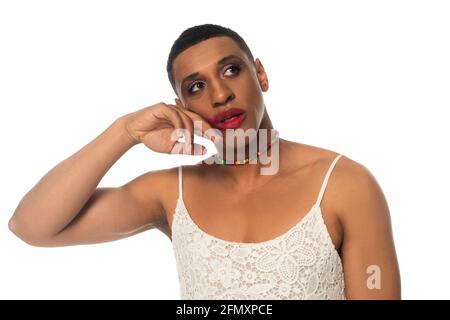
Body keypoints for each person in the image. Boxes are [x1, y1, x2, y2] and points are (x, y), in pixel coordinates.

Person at [9, 23, 400, 299]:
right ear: (182, 107)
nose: (220, 95)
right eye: (196, 86)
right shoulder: (170, 193)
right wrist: (125, 131)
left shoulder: (345, 184)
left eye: (231, 70)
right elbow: (30, 226)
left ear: (260, 73)